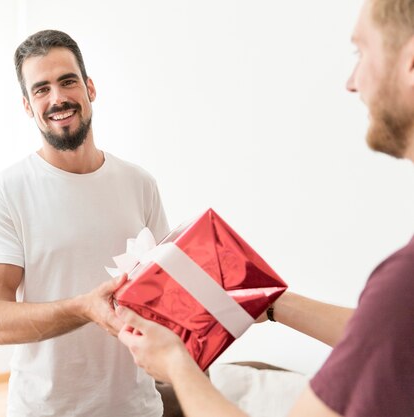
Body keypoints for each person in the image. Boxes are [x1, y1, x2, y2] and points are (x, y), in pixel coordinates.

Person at [117, 0, 414, 416]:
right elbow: (384, 334)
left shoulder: (402, 283)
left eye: (361, 52)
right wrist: (271, 302)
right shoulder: (399, 297)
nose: (352, 81)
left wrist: (175, 365)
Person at [0, 30, 169, 417]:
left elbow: (165, 293)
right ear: (28, 106)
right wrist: (84, 308)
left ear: (90, 87)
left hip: (137, 407)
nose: (57, 98)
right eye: (41, 89)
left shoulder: (140, 183)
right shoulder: (6, 191)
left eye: (67, 81)